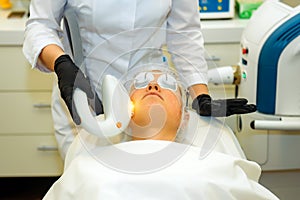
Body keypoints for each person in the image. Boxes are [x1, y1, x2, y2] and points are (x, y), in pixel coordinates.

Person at [23, 0, 256, 158]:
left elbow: (184, 34)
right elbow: (40, 26)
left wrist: (200, 95)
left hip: (147, 85)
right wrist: (62, 65)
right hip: (84, 94)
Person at [42, 70, 278, 200]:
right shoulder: (86, 169)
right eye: (142, 84)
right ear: (123, 111)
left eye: (167, 85)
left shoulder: (221, 168)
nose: (153, 87)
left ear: (186, 117)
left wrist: (201, 95)